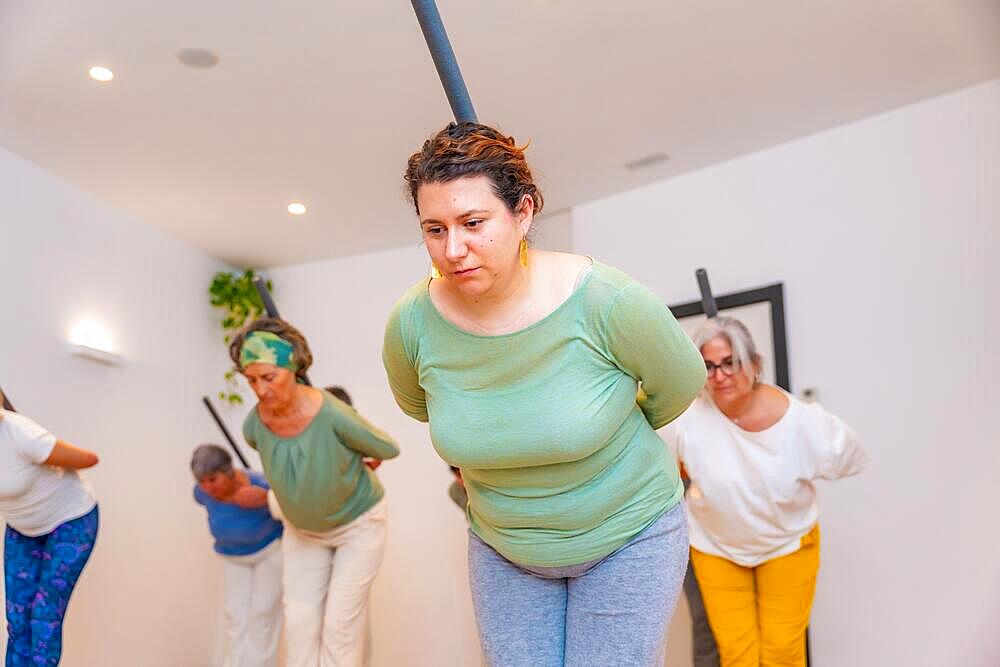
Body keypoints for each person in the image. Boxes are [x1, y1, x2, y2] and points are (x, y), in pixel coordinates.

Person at [383, 122, 706, 666]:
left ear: (525, 212)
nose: (453, 249)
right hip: (505, 549)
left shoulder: (606, 300)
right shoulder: (411, 323)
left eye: (473, 222)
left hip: (627, 536)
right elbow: (421, 405)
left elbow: (678, 385)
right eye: (434, 229)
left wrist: (599, 435)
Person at [664, 316, 868, 667]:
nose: (720, 375)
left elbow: (850, 456)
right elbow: (662, 462)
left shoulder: (800, 421)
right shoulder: (689, 420)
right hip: (717, 548)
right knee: (737, 656)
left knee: (781, 654)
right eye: (709, 366)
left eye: (730, 362)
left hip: (786, 545)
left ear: (754, 364)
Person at [231, 318, 400, 667]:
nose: (260, 390)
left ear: (291, 367)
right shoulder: (255, 424)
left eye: (268, 377)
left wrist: (353, 457)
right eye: (251, 380)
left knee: (340, 629)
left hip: (358, 526)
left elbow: (386, 447)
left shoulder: (331, 413)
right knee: (299, 626)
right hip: (303, 531)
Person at [0, 399, 99, 666]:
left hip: (70, 522)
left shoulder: (20, 433)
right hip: (22, 527)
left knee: (44, 617)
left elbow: (89, 458)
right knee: (17, 619)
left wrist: (45, 458)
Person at [191, 444, 283, 667]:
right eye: (201, 481)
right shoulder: (200, 494)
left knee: (263, 615)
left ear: (228, 471)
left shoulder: (260, 484)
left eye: (213, 479)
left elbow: (288, 508)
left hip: (269, 553)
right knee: (235, 615)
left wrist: (265, 498)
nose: (207, 487)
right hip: (232, 557)